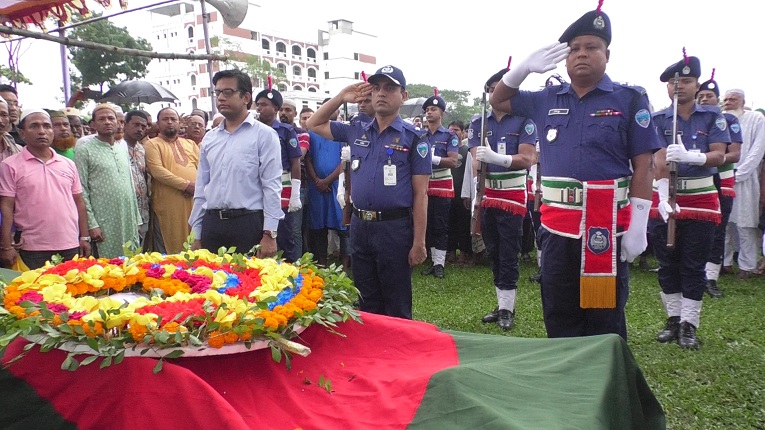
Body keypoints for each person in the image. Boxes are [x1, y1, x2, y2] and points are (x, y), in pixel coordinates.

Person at [490, 5, 660, 340]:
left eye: (591, 47)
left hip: (605, 224)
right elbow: (499, 99)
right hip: (557, 226)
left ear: (607, 55)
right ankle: (566, 385)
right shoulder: (545, 98)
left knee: (604, 317)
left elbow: (645, 165)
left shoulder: (629, 98)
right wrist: (522, 69)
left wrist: (639, 223)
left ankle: (604, 387)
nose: (581, 54)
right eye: (573, 49)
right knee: (559, 310)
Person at [307, 65, 430, 319]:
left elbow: (421, 195)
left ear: (403, 96)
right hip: (361, 226)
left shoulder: (414, 139)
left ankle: (398, 353)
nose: (381, 93)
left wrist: (419, 242)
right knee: (366, 297)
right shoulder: (356, 130)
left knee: (396, 299)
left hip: (394, 228)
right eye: (376, 88)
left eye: (389, 88)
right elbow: (313, 123)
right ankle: (373, 353)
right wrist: (341, 96)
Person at [650, 54, 729, 350]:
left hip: (701, 199)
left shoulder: (712, 117)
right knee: (667, 262)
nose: (678, 86)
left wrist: (693, 157)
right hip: (667, 197)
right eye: (673, 82)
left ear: (696, 85)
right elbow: (657, 160)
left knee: (693, 264)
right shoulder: (658, 119)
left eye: (685, 81)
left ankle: (689, 324)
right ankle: (673, 318)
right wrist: (660, 195)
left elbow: (720, 154)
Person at [188, 69, 283, 257]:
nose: (221, 98)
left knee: (248, 283)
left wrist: (270, 233)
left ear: (246, 97)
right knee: (208, 281)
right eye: (218, 93)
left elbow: (271, 186)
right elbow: (202, 188)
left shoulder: (264, 135)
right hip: (212, 224)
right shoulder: (210, 138)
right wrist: (196, 231)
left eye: (228, 92)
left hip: (247, 225)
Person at [471, 69, 537, 330]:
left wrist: (499, 159)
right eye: (493, 89)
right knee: (494, 251)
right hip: (488, 194)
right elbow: (477, 161)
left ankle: (508, 309)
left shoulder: (523, 120)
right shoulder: (479, 123)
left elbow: (528, 158)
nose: (497, 93)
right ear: (488, 93)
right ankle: (501, 304)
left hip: (511, 195)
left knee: (509, 252)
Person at [0, 110, 90, 269]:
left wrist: (84, 237)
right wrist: (7, 246)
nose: (42, 131)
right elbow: (7, 206)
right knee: (36, 292)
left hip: (70, 243)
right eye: (34, 126)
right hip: (32, 247)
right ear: (22, 133)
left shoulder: (68, 163)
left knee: (74, 290)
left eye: (47, 126)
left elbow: (79, 202)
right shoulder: (10, 165)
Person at [696, 74, 743, 297]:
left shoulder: (729, 121)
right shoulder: (690, 119)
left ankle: (711, 278)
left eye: (710, 96)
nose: (705, 99)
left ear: (718, 100)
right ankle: (691, 273)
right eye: (702, 96)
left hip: (719, 179)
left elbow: (734, 154)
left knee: (717, 229)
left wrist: (705, 158)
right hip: (693, 181)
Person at [75, 104, 141, 258]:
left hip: (128, 217)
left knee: (131, 263)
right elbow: (82, 189)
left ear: (118, 122)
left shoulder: (122, 146)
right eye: (102, 119)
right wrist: (92, 224)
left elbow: (130, 185)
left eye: (111, 118)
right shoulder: (85, 149)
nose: (107, 122)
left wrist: (136, 219)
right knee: (108, 267)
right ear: (93, 124)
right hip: (103, 220)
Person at [255, 87, 302, 262]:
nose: (259, 108)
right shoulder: (253, 130)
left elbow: (295, 161)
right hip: (258, 184)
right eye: (258, 105)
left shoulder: (286, 130)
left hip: (282, 186)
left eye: (264, 105)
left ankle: (289, 271)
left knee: (283, 233)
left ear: (275, 108)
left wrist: (295, 193)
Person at [722, 89, 765, 279]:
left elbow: (758, 148)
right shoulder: (720, 119)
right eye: (726, 99)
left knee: (746, 223)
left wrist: (741, 172)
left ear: (743, 101)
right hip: (722, 177)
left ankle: (747, 266)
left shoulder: (756, 119)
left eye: (733, 99)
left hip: (746, 180)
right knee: (724, 224)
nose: (729, 102)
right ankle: (724, 263)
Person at [145, 108, 200, 254]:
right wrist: (185, 185)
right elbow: (157, 171)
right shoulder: (152, 144)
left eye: (173, 119)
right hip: (168, 205)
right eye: (165, 119)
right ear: (158, 123)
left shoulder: (191, 144)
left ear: (179, 122)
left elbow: (203, 168)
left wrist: (198, 187)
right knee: (169, 249)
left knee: (194, 246)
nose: (169, 122)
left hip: (193, 202)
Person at [420, 91, 460, 279]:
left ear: (441, 113)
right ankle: (431, 260)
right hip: (425, 184)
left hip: (442, 185)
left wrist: (433, 159)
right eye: (427, 110)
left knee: (440, 224)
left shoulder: (450, 136)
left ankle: (439, 264)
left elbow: (453, 161)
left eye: (433, 109)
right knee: (425, 223)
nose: (429, 112)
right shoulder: (421, 135)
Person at [305, 104, 349, 269]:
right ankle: (322, 264)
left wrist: (327, 180)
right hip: (317, 188)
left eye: (333, 108)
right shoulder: (312, 134)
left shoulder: (342, 133)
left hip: (337, 185)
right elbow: (308, 159)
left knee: (343, 227)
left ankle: (346, 265)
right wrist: (317, 179)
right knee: (319, 227)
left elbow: (345, 160)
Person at [280, 98, 311, 256]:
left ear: (295, 113)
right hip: (277, 186)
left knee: (294, 228)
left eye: (288, 110)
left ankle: (297, 264)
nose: (284, 113)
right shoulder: (272, 130)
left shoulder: (302, 134)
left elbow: (299, 158)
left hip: (297, 186)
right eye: (281, 110)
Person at [446, 120, 472, 266]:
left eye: (456, 130)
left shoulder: (468, 150)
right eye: (450, 130)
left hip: (462, 194)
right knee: (449, 223)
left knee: (463, 223)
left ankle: (463, 253)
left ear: (463, 132)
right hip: (448, 192)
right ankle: (450, 252)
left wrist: (467, 193)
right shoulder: (446, 151)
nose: (453, 133)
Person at [123, 110, 151, 246]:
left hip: (143, 211)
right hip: (126, 213)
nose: (140, 129)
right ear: (125, 124)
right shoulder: (117, 148)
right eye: (136, 124)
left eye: (143, 126)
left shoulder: (142, 149)